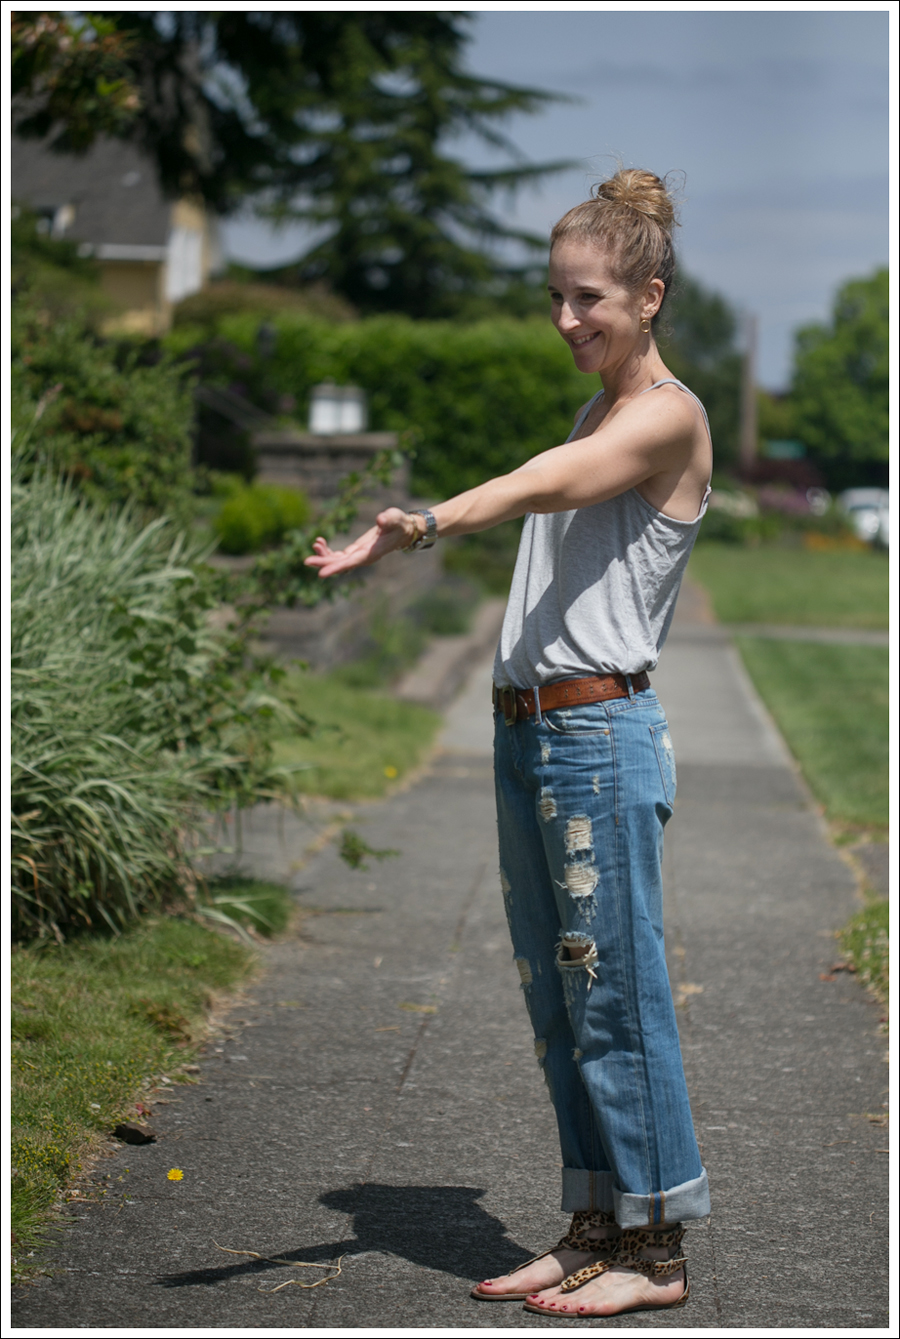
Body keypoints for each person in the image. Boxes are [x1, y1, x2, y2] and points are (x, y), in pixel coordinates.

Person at [305, 167, 712, 1319]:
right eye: (555, 297)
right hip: (536, 735)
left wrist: (426, 519)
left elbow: (547, 486)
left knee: (617, 998)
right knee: (563, 1001)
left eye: (588, 298)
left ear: (648, 294)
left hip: (596, 735)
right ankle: (596, 1225)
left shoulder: (665, 415)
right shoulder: (599, 405)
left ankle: (656, 1251)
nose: (566, 320)